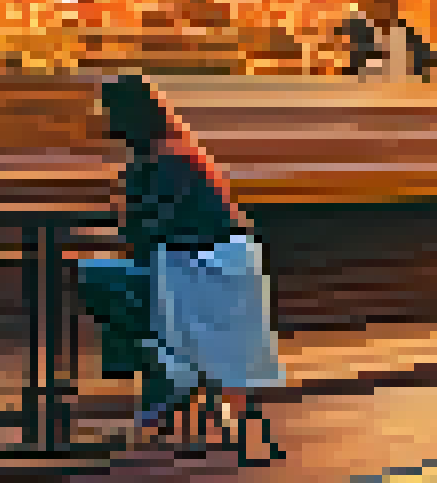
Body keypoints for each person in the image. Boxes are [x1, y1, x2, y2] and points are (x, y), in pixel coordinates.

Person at [77, 75, 284, 459]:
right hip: (218, 273)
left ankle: (166, 372)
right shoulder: (173, 154)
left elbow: (146, 235)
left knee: (95, 277)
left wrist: (124, 207)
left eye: (107, 111)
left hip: (203, 272)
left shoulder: (164, 161)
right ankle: (164, 372)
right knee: (114, 283)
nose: (103, 121)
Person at [335, 0, 437, 83]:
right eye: (379, 1)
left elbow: (430, 62)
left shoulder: (405, 34)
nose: (386, 7)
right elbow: (350, 69)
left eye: (390, 1)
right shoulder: (359, 31)